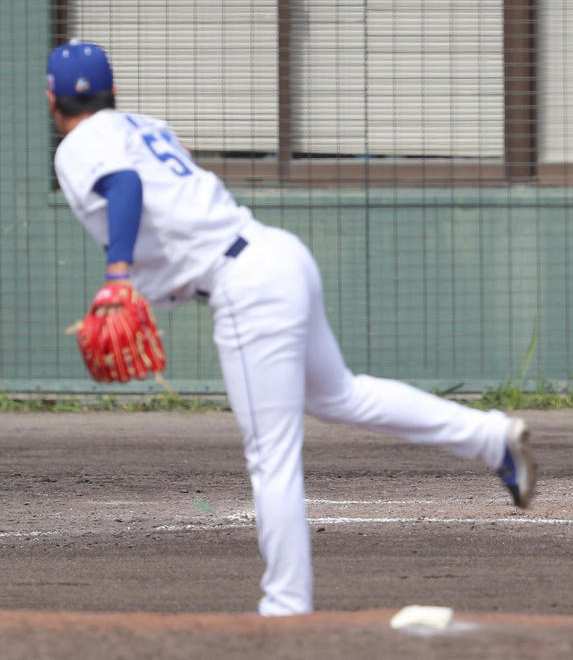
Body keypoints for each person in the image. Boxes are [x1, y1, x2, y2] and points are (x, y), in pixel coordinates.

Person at [44, 39, 538, 615]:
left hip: (246, 287)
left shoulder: (78, 145)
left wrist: (118, 275)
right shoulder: (144, 124)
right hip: (276, 254)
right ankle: (490, 438)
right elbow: (170, 176)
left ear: (52, 101)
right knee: (340, 396)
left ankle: (285, 611)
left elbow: (125, 186)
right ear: (115, 92)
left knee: (271, 456)